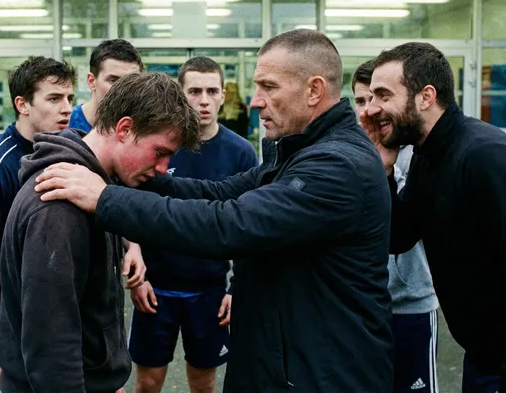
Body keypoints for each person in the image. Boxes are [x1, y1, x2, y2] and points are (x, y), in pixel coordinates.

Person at [33, 29, 395, 392]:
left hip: (323, 376)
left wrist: (104, 199)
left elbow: (231, 223)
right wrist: (134, 171)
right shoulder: (297, 153)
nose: (255, 101)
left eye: (269, 87)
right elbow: (214, 194)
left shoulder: (336, 166)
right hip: (289, 364)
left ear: (314, 90)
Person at [359, 42, 506, 393]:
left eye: (383, 96)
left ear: (425, 97)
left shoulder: (488, 158)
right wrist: (384, 171)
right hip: (485, 355)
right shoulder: (426, 155)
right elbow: (399, 235)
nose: (370, 110)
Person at [0, 56, 144, 393]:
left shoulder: (67, 153)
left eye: (68, 97)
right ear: (22, 104)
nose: (66, 108)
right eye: (53, 99)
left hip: (33, 327)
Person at [0, 72, 200, 393]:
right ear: (124, 129)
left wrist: (104, 378)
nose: (163, 168)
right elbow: (51, 343)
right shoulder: (59, 209)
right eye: (160, 152)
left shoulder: (95, 187)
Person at [130, 57, 257, 393]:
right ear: (180, 95)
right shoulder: (158, 145)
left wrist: (236, 287)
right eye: (195, 91)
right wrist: (136, 271)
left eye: (212, 91)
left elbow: (252, 226)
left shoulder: (241, 152)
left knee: (204, 383)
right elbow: (135, 208)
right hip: (155, 288)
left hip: (209, 289)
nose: (203, 100)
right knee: (148, 382)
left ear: (223, 95)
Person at [352, 60, 439, 393]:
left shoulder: (412, 154)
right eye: (360, 101)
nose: (369, 110)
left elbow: (406, 225)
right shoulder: (347, 155)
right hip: (363, 307)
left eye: (376, 99)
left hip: (409, 303)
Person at [69, 38, 144, 133]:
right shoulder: (66, 123)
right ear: (91, 81)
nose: (123, 89)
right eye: (113, 81)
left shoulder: (142, 127)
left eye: (131, 81)